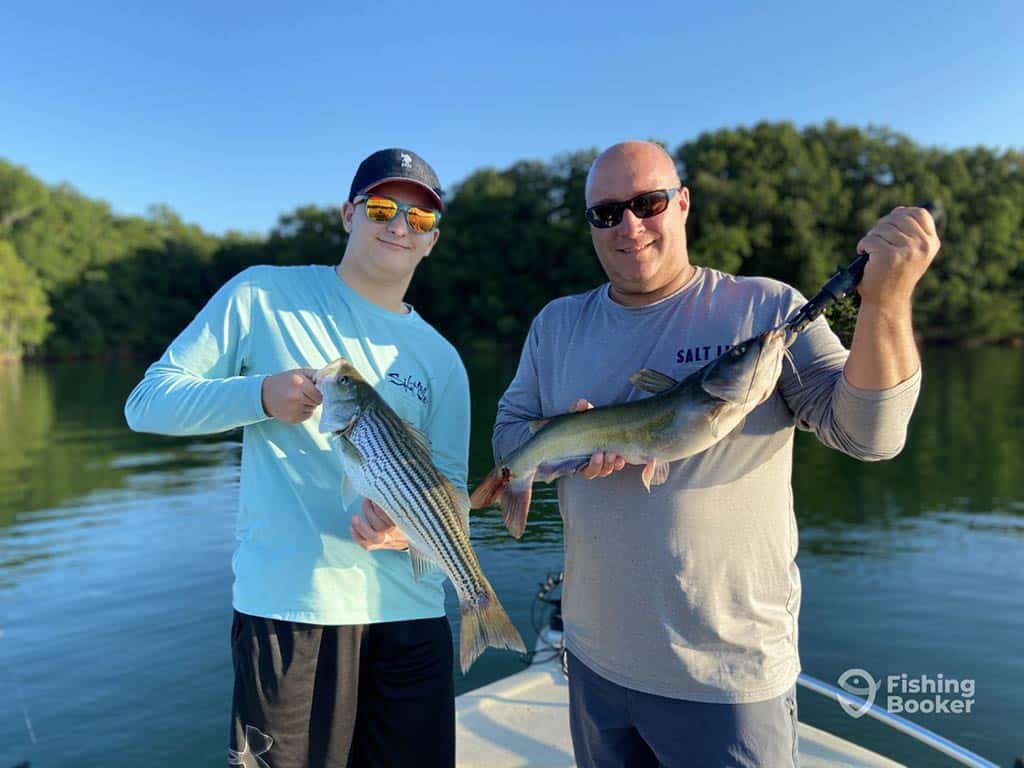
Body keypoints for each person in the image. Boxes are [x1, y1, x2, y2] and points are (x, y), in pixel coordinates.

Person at [489, 141, 937, 768]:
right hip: (593, 664)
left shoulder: (765, 309)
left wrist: (886, 303)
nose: (630, 226)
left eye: (648, 203)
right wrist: (557, 451)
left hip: (727, 679)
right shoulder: (556, 325)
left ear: (683, 203)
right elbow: (510, 430)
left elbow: (869, 435)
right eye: (606, 213)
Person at [124, 148, 470, 768]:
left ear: (432, 241)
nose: (399, 226)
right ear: (348, 214)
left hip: (413, 621)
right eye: (384, 208)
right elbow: (147, 403)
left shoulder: (442, 359)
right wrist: (258, 394)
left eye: (418, 219)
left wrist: (400, 530)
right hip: (292, 614)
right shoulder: (261, 293)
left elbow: (453, 495)